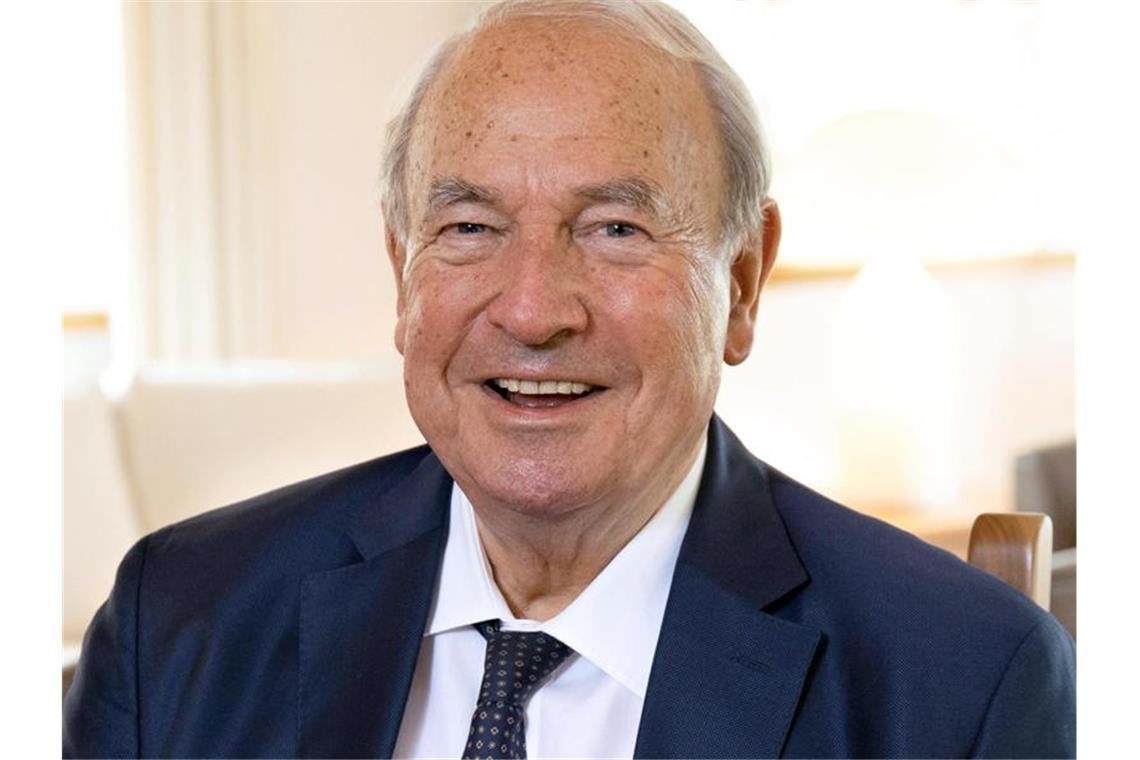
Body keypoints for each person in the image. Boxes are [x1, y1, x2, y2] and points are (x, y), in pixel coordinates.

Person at [63, 1, 1075, 757]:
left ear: (742, 281)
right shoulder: (177, 622)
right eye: (470, 227)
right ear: (402, 269)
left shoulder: (960, 680)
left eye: (615, 229)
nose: (534, 309)